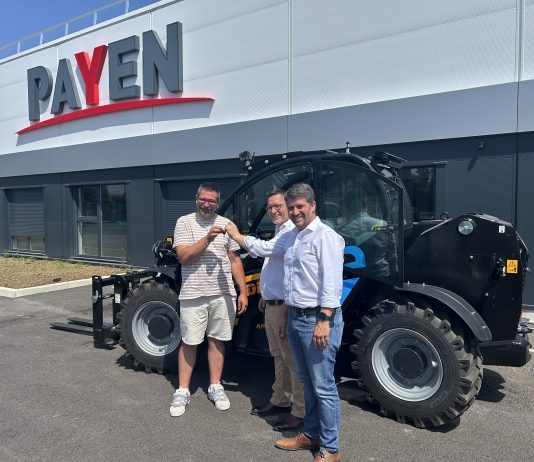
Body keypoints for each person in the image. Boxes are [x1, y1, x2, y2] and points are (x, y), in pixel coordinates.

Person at [226, 183, 345, 462]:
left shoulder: (326, 237)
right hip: (295, 316)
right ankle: (310, 434)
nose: (295, 212)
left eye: (299, 206)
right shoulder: (292, 237)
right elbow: (265, 250)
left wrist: (324, 320)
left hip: (317, 318)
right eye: (291, 207)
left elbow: (332, 283)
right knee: (306, 381)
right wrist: (285, 313)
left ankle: (331, 448)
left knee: (323, 386)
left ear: (313, 206)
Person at [169, 182, 248, 417]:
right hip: (193, 292)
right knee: (189, 342)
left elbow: (235, 260)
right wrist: (207, 239)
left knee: (217, 340)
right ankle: (182, 390)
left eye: (211, 201)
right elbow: (184, 257)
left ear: (217, 202)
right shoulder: (184, 222)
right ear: (196, 199)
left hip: (223, 293)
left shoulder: (227, 224)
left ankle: (215, 386)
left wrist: (243, 291)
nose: (206, 204)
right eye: (203, 199)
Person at [231, 190, 305, 430]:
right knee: (279, 356)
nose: (273, 210)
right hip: (273, 303)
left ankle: (300, 410)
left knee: (291, 360)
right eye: (270, 207)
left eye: (278, 206)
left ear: (288, 206)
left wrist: (236, 235)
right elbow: (276, 267)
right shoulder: (280, 230)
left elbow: (264, 250)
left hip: (284, 307)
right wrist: (266, 293)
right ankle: (280, 398)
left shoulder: (290, 231)